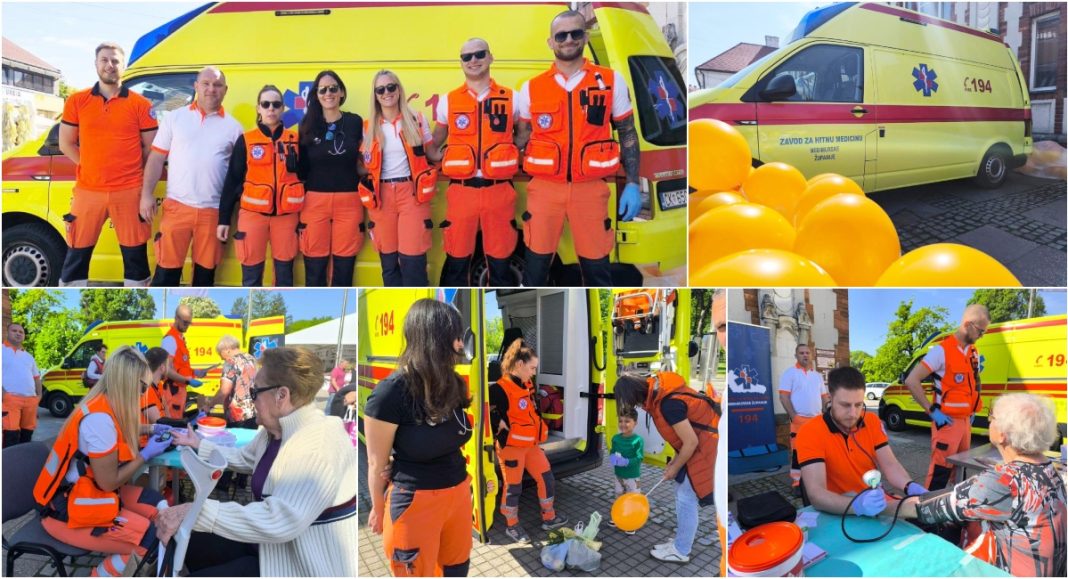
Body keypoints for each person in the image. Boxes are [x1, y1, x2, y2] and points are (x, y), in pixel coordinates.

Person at [159, 347, 358, 576]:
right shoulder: (274, 431)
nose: (250, 399)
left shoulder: (319, 443)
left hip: (295, 566)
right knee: (190, 545)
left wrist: (195, 512)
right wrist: (199, 445)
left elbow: (280, 520)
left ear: (281, 395)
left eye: (254, 391)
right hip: (267, 549)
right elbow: (244, 457)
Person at [515, 10, 642, 286]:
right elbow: (521, 137)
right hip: (544, 190)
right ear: (551, 42)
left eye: (576, 33)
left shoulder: (610, 81)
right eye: (561, 35)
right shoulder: (531, 88)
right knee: (535, 268)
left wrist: (633, 183)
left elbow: (628, 133)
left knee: (597, 270)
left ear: (585, 36)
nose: (569, 39)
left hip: (591, 190)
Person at [32, 346, 173, 577]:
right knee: (150, 539)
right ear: (128, 383)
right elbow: (109, 482)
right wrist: (144, 455)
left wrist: (152, 427)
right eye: (143, 387)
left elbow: (120, 428)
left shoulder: (103, 404)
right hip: (65, 509)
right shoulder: (99, 420)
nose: (144, 394)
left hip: (84, 492)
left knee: (158, 505)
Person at [899, 393, 1066, 577]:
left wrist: (886, 506)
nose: (989, 420)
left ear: (1002, 435)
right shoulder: (1050, 469)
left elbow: (927, 508)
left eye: (992, 416)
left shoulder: (1003, 481)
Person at [363, 299, 473, 576]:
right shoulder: (390, 392)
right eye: (455, 337)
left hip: (458, 493)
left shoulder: (452, 382)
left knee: (457, 569)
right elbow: (376, 463)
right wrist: (378, 508)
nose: (460, 345)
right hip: (415, 502)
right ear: (435, 339)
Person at [58, 41, 157, 287]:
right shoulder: (76, 101)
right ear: (96, 64)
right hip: (88, 191)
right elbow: (66, 144)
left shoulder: (141, 105)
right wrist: (91, 165)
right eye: (104, 60)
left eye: (115, 61)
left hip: (129, 190)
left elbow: (151, 148)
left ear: (123, 66)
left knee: (135, 256)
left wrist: (129, 169)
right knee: (76, 255)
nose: (110, 65)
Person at [143, 66, 243, 286]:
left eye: (217, 85)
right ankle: (159, 320)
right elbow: (156, 158)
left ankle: (197, 318)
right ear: (196, 86)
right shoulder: (174, 118)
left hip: (213, 213)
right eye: (206, 84)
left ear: (225, 90)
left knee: (204, 278)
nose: (211, 89)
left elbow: (238, 176)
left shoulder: (235, 128)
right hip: (177, 208)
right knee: (165, 275)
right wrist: (146, 195)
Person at [432, 38, 521, 286]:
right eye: (467, 56)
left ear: (491, 57)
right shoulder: (448, 101)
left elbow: (524, 134)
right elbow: (435, 143)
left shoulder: (513, 97)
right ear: (460, 63)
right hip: (462, 191)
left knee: (500, 262)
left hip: (499, 190)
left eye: (479, 54)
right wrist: (449, 159)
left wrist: (507, 153)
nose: (473, 60)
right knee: (457, 261)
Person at [796, 366, 927, 517]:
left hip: (873, 501)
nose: (853, 414)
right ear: (830, 397)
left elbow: (890, 464)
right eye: (845, 405)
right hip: (837, 509)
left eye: (858, 404)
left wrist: (908, 486)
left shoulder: (871, 421)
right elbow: (816, 494)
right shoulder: (810, 431)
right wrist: (857, 506)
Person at [614, 371, 716, 563]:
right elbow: (687, 436)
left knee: (686, 498)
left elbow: (691, 441)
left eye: (633, 402)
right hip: (700, 445)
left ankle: (681, 550)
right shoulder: (660, 395)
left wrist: (676, 467)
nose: (636, 406)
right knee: (680, 491)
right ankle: (680, 542)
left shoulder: (668, 405)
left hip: (707, 449)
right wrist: (676, 460)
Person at [360, 70, 441, 287]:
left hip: (412, 194)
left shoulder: (417, 119)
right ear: (375, 95)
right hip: (381, 197)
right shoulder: (367, 127)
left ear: (399, 89)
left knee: (413, 261)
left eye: (391, 87)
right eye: (381, 89)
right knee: (389, 263)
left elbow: (432, 153)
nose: (387, 92)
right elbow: (361, 164)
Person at [218, 85, 304, 286]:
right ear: (258, 108)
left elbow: (307, 177)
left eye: (276, 104)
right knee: (251, 276)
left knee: (284, 277)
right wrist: (223, 219)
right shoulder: (247, 140)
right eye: (266, 104)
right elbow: (232, 181)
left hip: (286, 218)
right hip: (252, 217)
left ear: (283, 108)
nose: (271, 108)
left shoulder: (296, 140)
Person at [489, 340, 569, 543]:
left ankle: (549, 517)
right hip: (512, 449)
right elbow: (484, 411)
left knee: (547, 479)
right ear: (519, 365)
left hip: (531, 446)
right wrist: (497, 422)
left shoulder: (527, 384)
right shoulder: (499, 389)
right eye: (532, 368)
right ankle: (512, 526)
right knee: (513, 488)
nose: (534, 372)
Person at [904, 304, 989, 490]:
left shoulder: (972, 353)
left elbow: (974, 384)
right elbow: (911, 380)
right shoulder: (941, 351)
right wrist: (931, 411)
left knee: (960, 471)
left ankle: (951, 510)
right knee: (941, 470)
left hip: (965, 421)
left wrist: (973, 410)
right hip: (947, 422)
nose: (982, 336)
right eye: (981, 331)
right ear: (968, 324)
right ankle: (927, 513)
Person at [297, 70, 364, 286]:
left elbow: (365, 159)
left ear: (341, 92)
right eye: (322, 89)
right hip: (315, 201)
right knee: (314, 265)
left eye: (333, 88)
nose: (328, 93)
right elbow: (302, 168)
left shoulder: (355, 122)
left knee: (344, 266)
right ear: (316, 94)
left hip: (349, 201)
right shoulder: (306, 124)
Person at [780, 343, 828, 489]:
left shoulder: (817, 376)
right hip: (799, 421)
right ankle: (797, 482)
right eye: (801, 353)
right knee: (798, 452)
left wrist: (827, 414)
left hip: (817, 420)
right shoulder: (789, 373)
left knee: (819, 450)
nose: (805, 355)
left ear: (811, 355)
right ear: (796, 355)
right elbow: (784, 397)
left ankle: (818, 480)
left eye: (807, 352)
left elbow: (824, 397)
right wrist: (794, 417)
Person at [159, 304, 207, 419]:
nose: (187, 326)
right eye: (185, 322)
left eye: (189, 323)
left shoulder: (179, 338)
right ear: (176, 318)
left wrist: (195, 372)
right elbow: (167, 370)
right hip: (172, 392)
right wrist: (188, 381)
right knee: (174, 425)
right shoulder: (170, 340)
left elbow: (180, 366)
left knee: (178, 421)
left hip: (179, 391)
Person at [2, 323, 42, 447]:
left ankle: (22, 461)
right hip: (10, 400)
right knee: (10, 435)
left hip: (30, 401)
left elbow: (36, 378)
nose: (18, 333)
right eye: (14, 330)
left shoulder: (29, 357)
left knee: (27, 434)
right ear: (7, 333)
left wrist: (39, 396)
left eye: (21, 332)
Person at [607, 407, 644, 534]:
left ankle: (631, 521)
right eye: (620, 421)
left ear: (635, 423)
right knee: (618, 495)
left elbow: (639, 458)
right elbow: (613, 451)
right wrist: (612, 457)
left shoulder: (638, 440)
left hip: (632, 476)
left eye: (627, 421)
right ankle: (618, 516)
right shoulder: (616, 438)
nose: (623, 424)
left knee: (632, 498)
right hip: (618, 475)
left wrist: (627, 461)